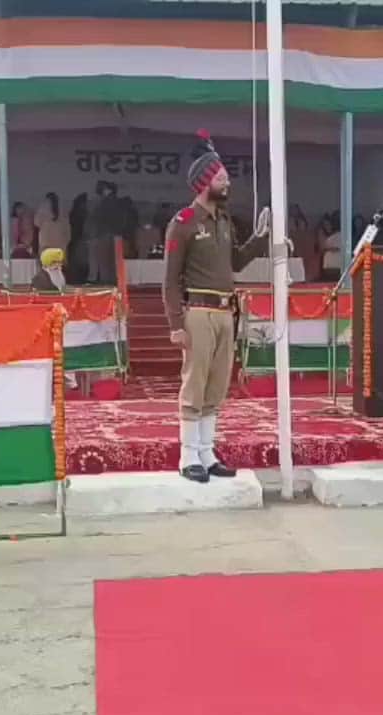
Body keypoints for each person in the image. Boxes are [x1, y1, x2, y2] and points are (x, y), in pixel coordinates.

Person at [164, 129, 271, 484]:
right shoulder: (183, 224)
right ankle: (187, 455)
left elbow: (236, 263)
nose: (228, 184)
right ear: (205, 182)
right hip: (198, 311)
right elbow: (170, 279)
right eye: (222, 178)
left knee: (217, 384)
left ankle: (207, 452)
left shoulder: (224, 221)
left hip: (227, 312)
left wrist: (260, 240)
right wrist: (175, 323)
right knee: (194, 383)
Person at [35, 192, 70, 257]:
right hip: (60, 243)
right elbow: (67, 228)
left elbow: (36, 223)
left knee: (46, 264)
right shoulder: (63, 207)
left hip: (46, 242)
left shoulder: (42, 206)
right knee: (59, 265)